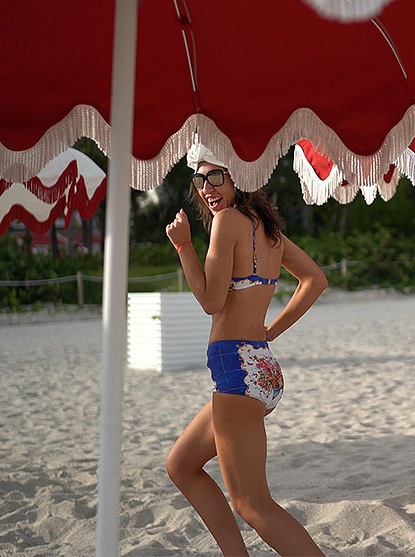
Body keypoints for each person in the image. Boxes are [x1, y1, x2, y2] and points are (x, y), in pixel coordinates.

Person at [165, 143, 327, 557]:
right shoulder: (265, 228)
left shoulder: (226, 222)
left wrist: (183, 246)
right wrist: (270, 330)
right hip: (260, 368)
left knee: (253, 504)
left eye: (215, 176)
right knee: (181, 465)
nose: (205, 187)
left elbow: (211, 301)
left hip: (237, 370)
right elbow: (315, 280)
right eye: (199, 179)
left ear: (241, 176)